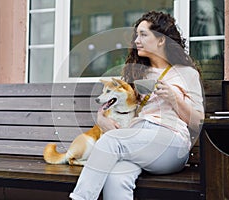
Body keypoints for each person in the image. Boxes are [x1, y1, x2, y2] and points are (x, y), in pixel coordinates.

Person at [70, 11, 205, 200]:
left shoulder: (187, 73)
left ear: (161, 40)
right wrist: (102, 119)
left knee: (111, 141)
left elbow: (198, 121)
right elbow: (121, 106)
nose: (136, 41)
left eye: (143, 35)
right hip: (137, 138)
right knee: (116, 178)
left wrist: (175, 99)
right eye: (136, 36)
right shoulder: (139, 73)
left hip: (172, 142)